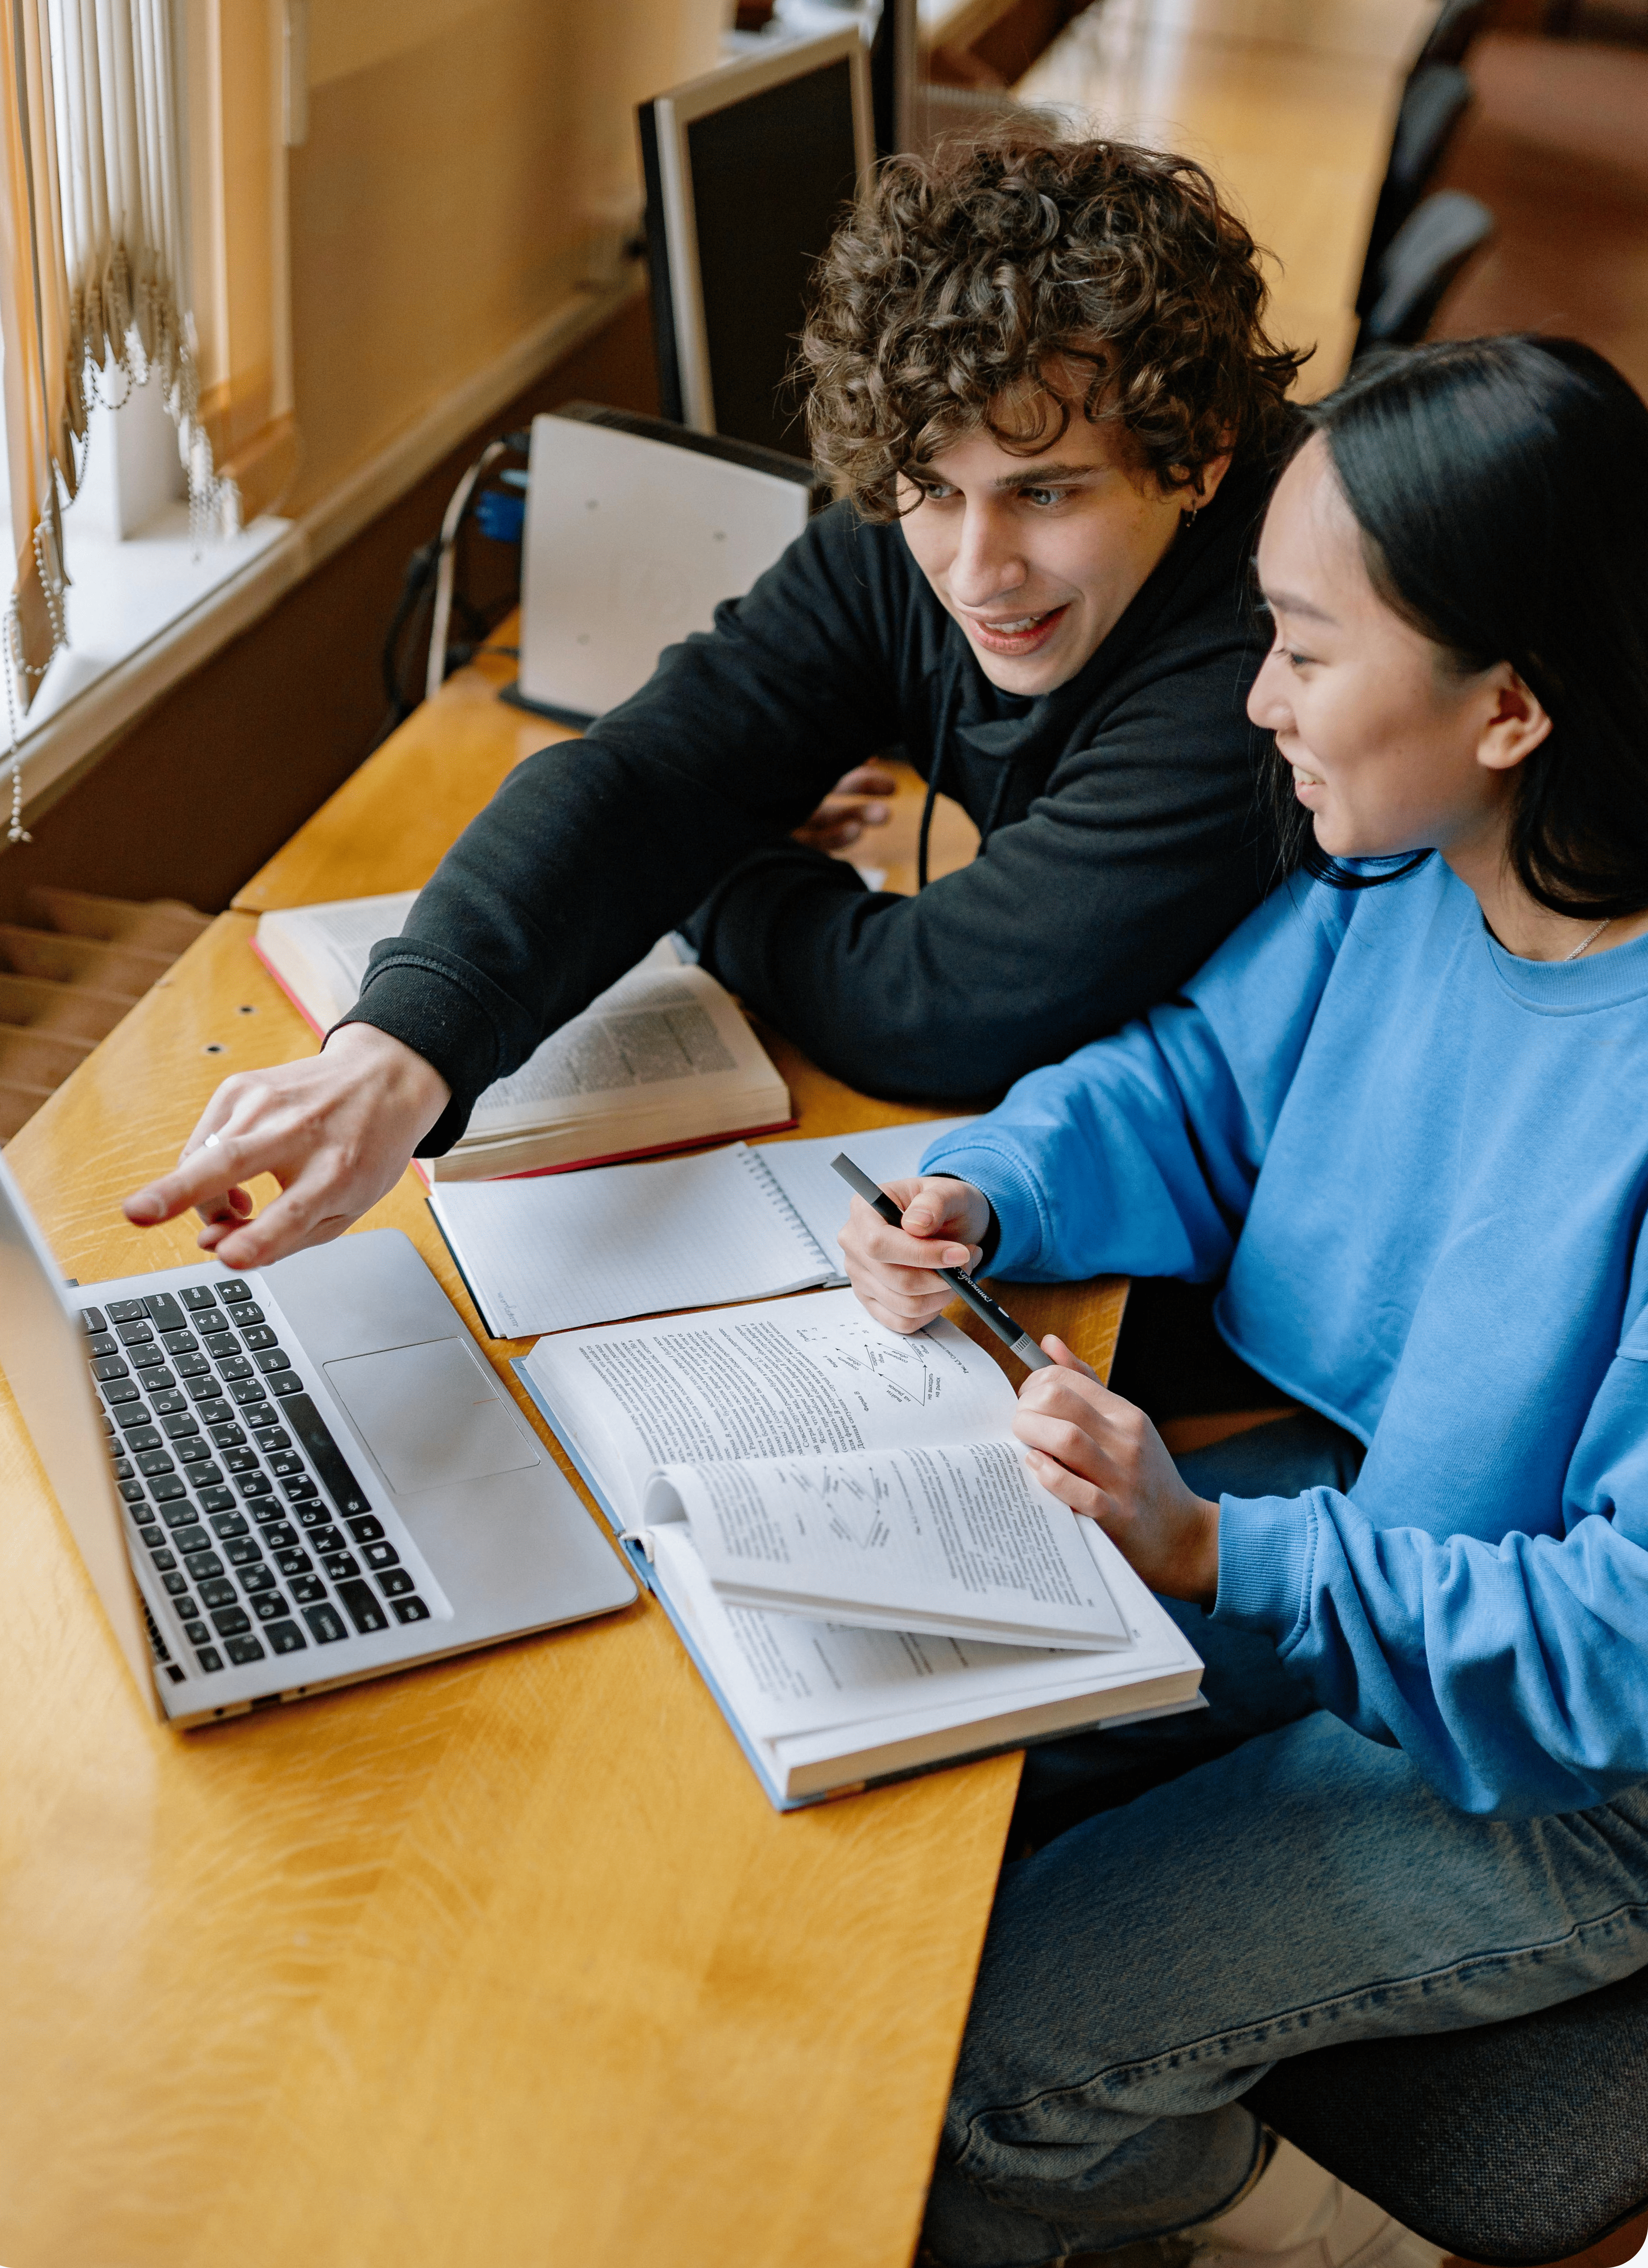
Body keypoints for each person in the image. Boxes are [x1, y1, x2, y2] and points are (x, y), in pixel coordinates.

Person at [839, 335, 1648, 2268]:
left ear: (1512, 706)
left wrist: (1220, 1552)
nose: (1257, 696)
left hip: (1586, 1766)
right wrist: (993, 1187)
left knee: (983, 2066)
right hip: (1382, 1557)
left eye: (1301, 644)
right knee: (914, 1811)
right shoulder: (1414, 875)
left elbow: (1620, 1645)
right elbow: (1193, 1084)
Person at [124, 130, 1303, 1267]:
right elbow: (654, 769)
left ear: (1194, 455)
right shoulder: (925, 517)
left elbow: (932, 1007)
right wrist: (397, 1049)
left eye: (1045, 497)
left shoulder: (1281, 648)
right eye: (928, 491)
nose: (974, 571)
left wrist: (716, 867)